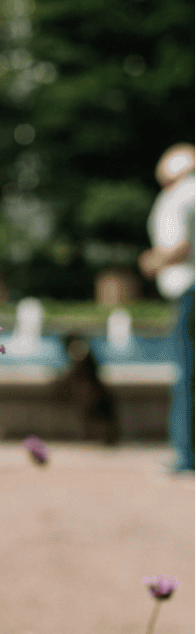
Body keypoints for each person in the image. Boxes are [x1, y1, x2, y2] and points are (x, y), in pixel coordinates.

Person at [139, 143, 195, 472]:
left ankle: (185, 455)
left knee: (186, 372)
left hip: (188, 289)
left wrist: (151, 261)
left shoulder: (180, 196)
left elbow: (180, 246)